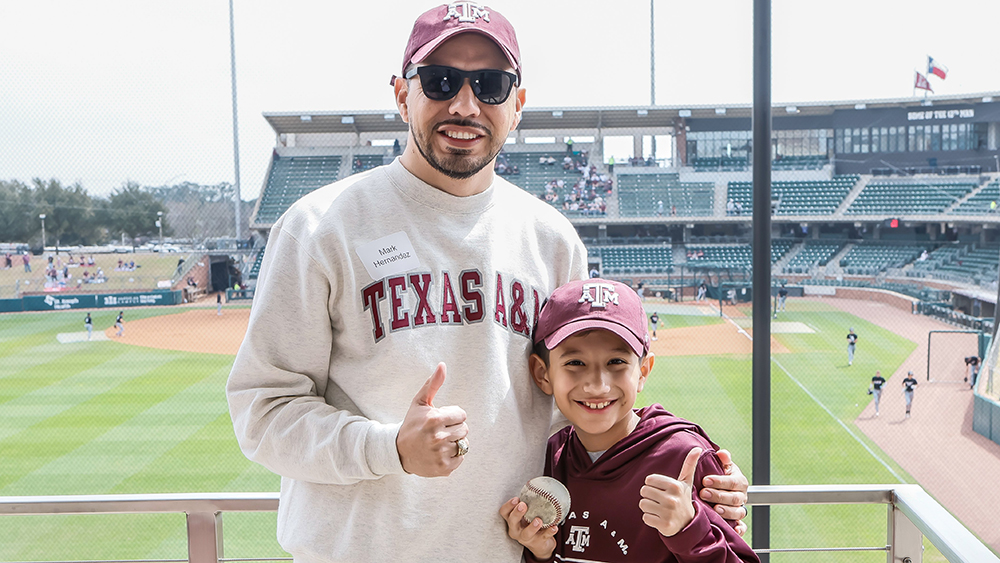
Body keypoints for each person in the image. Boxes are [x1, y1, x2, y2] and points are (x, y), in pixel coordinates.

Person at [226, 5, 747, 563]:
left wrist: (689, 470)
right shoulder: (319, 226)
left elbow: (575, 405)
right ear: (402, 93)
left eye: (492, 84)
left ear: (517, 105)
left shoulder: (552, 239)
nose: (466, 105)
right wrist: (388, 448)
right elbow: (264, 411)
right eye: (440, 80)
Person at [500, 279, 757, 562]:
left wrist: (689, 531)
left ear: (643, 371)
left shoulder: (685, 459)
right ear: (542, 374)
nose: (597, 385)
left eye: (616, 363)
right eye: (575, 363)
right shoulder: (547, 458)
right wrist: (542, 555)